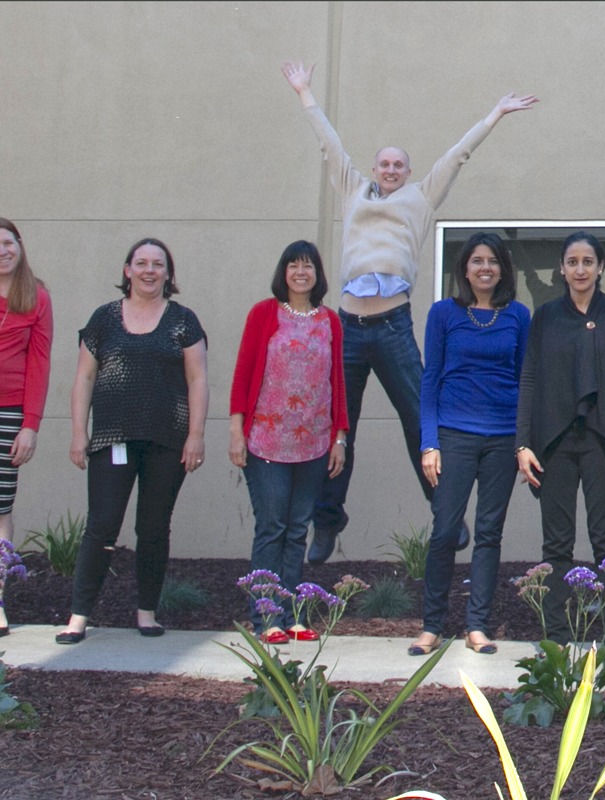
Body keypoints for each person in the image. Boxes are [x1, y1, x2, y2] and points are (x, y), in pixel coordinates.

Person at [281, 60, 537, 564]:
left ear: (409, 172)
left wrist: (495, 114)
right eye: (385, 164)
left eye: (400, 165)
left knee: (419, 419)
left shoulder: (421, 199)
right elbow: (329, 144)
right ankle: (327, 524)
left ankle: (445, 511)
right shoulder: (352, 190)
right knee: (340, 426)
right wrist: (305, 93)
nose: (392, 171)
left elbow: (457, 156)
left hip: (394, 326)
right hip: (349, 328)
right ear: (374, 169)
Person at [57, 238, 208, 644]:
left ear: (168, 273)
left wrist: (196, 435)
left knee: (153, 528)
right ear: (127, 270)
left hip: (167, 440)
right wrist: (78, 432)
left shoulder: (183, 320)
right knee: (102, 525)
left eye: (157, 264)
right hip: (112, 438)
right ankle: (78, 617)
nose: (149, 270)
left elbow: (197, 379)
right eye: (141, 263)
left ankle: (146, 612)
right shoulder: (104, 319)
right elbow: (84, 377)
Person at [516, 232, 605, 651]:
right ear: (562, 268)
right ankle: (555, 637)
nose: (581, 269)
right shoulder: (547, 317)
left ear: (601, 267)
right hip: (553, 441)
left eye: (589, 261)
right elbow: (530, 378)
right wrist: (522, 444)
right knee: (557, 543)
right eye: (573, 261)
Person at [409, 233, 529, 657]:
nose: (485, 268)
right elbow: (430, 380)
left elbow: (524, 381)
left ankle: (476, 625)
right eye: (477, 260)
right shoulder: (444, 313)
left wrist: (522, 442)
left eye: (492, 261)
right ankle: (432, 625)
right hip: (453, 436)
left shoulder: (518, 316)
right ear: (464, 269)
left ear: (503, 269)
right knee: (444, 531)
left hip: (501, 437)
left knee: (489, 534)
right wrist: (429, 443)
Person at [229, 241, 348, 644]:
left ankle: (294, 614)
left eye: (309, 265)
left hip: (314, 443)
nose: (301, 271)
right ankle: (266, 618)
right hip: (266, 442)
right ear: (283, 272)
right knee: (272, 527)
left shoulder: (330, 321)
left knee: (298, 530)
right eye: (294, 265)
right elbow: (244, 371)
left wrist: (340, 437)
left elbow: (338, 384)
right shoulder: (265, 314)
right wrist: (236, 430)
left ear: (318, 274)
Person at [0, 218, 53, 637]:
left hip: (9, 412)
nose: (2, 250)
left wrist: (30, 425)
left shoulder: (35, 296)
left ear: (20, 246)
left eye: (8, 242)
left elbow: (39, 362)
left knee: (0, 509)